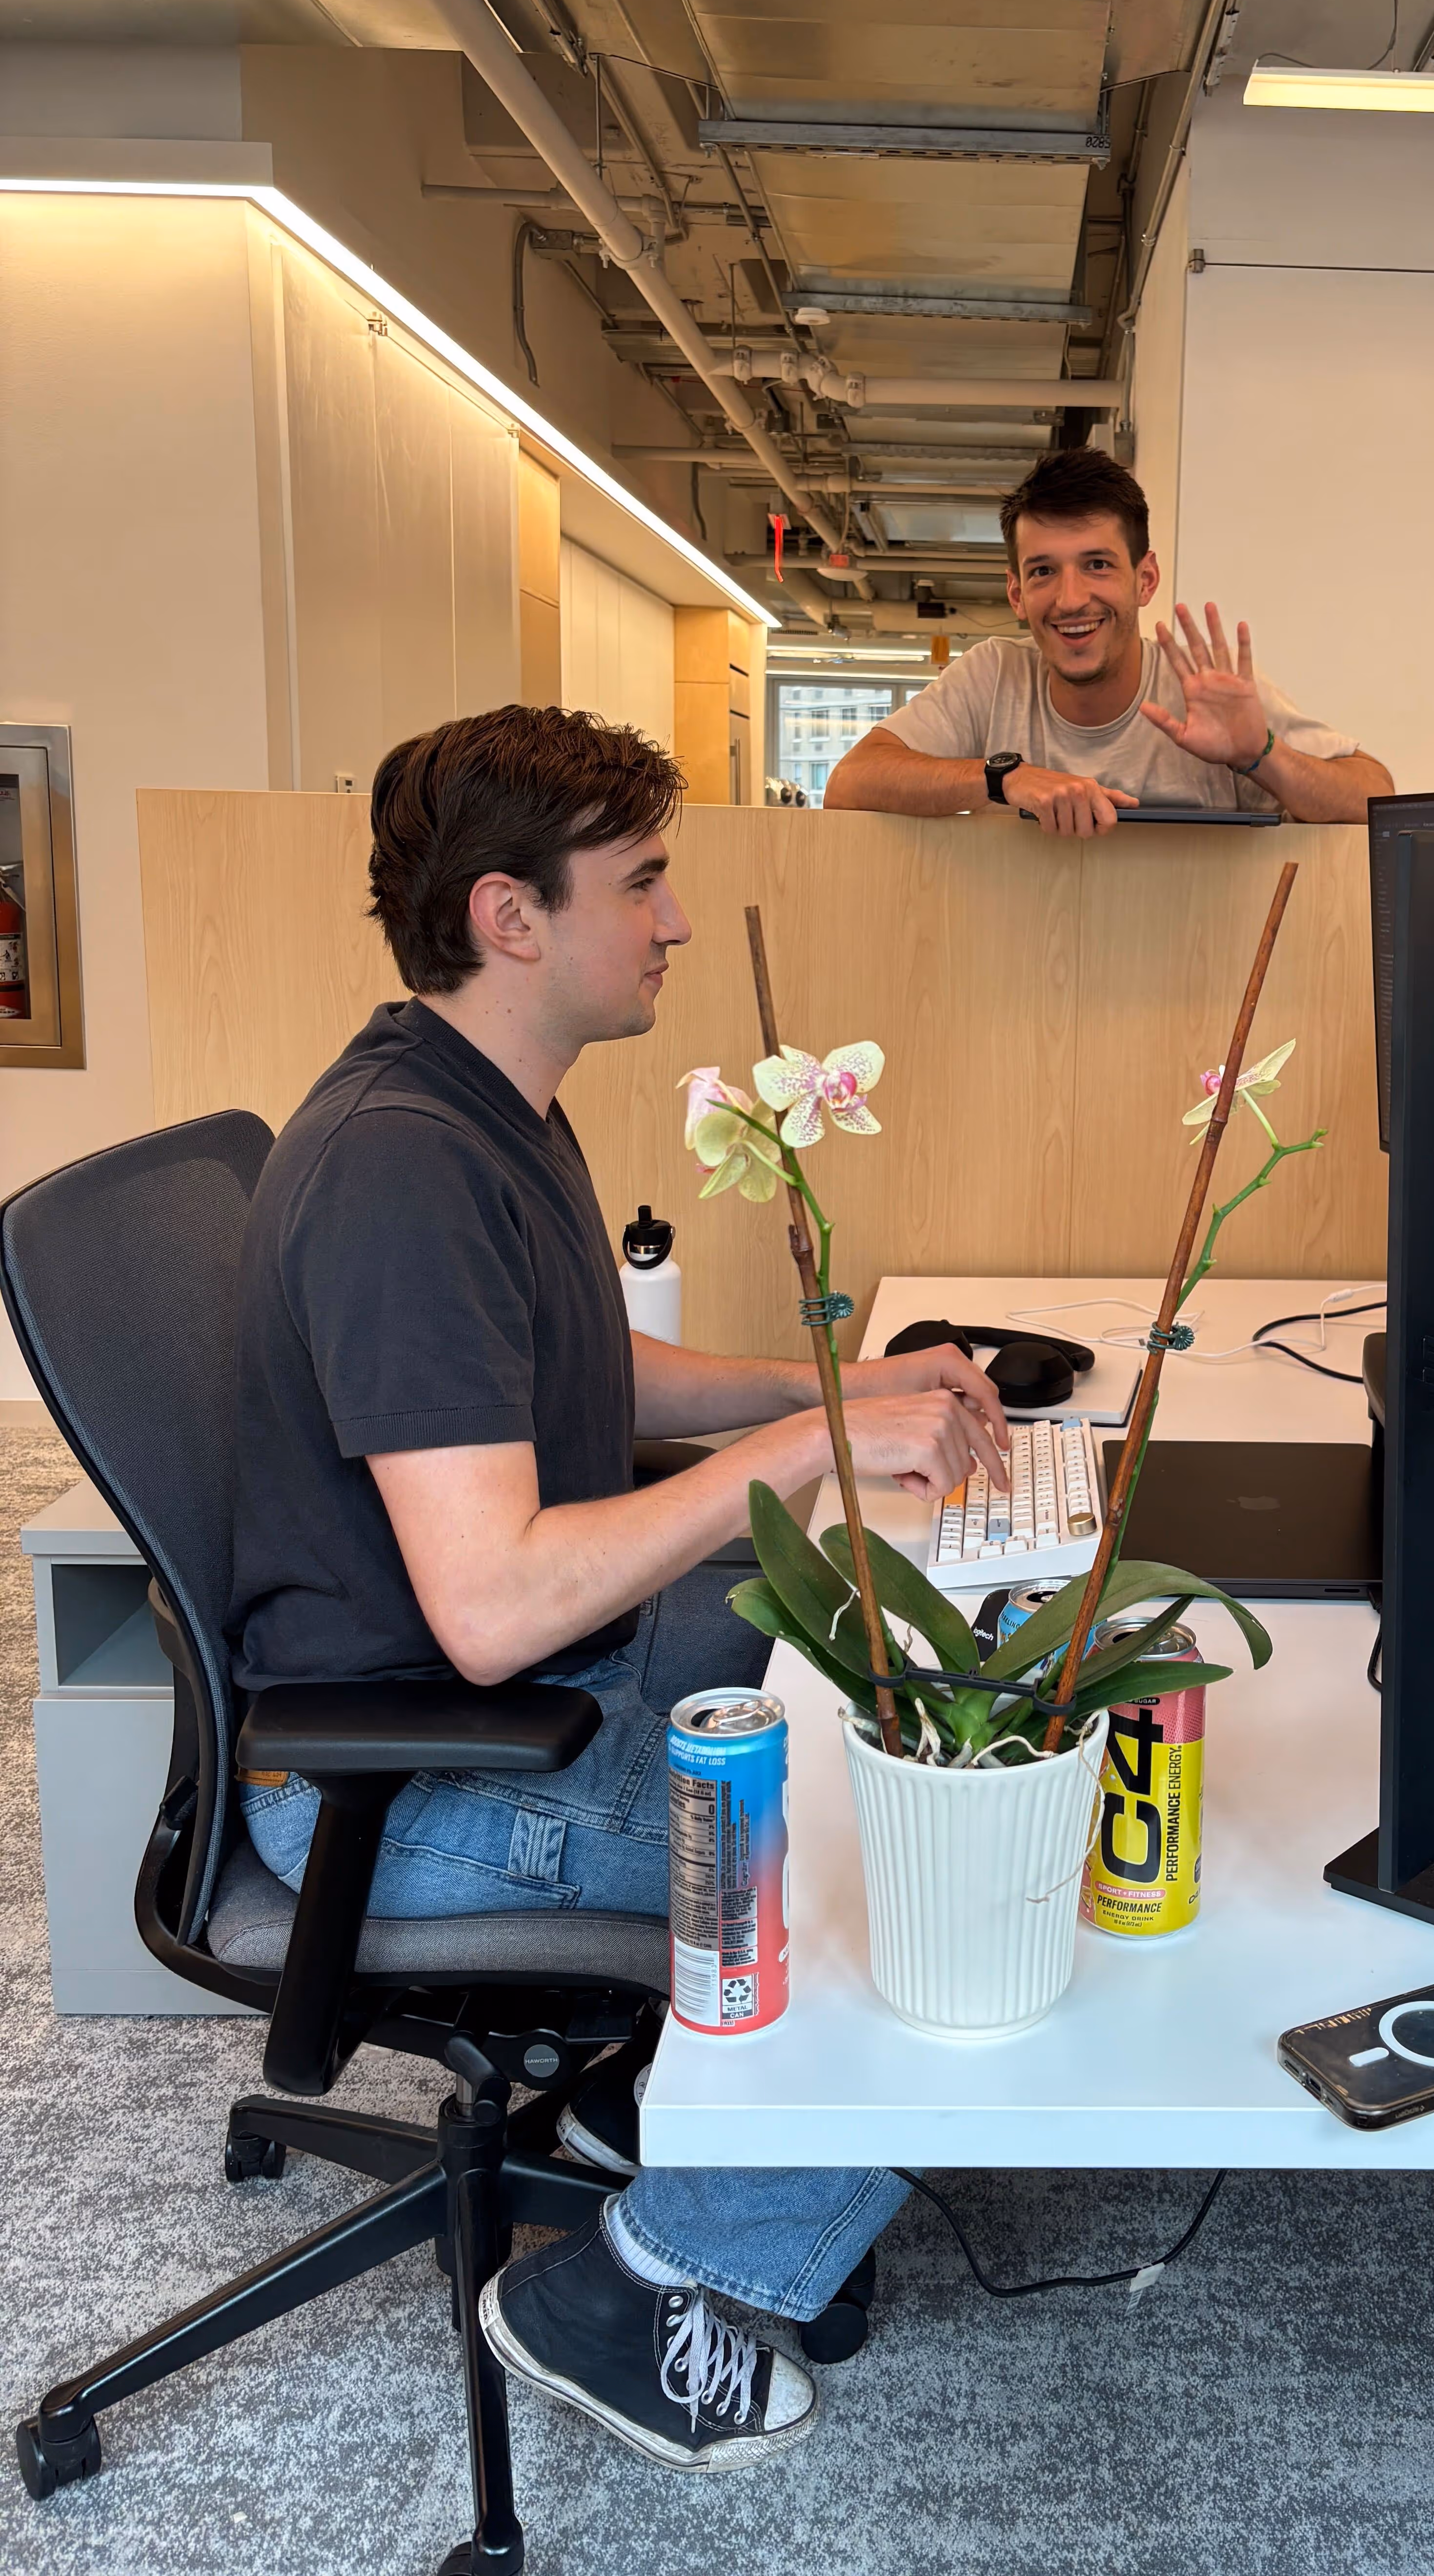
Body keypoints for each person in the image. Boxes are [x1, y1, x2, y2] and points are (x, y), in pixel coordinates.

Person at [226, 703, 1010, 2474]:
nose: (669, 920)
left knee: (917, 1733)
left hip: (521, 1699)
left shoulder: (492, 1103)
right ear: (512, 914)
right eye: (641, 881)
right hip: (419, 1773)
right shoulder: (405, 1176)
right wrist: (805, 1459)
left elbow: (593, 1383)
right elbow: (492, 1603)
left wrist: (838, 1393)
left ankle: (697, 2137)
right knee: (912, 1884)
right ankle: (640, 2275)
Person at [822, 445, 1394, 834]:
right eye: (1043, 571)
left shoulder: (1200, 689)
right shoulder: (992, 675)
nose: (1071, 599)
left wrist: (1259, 757)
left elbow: (1377, 802)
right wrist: (1006, 778)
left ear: (1144, 580)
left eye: (1097, 564)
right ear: (1017, 594)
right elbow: (850, 783)